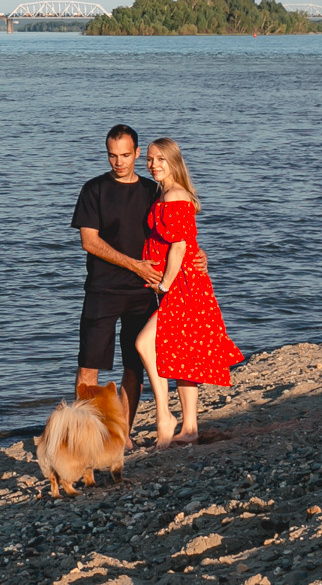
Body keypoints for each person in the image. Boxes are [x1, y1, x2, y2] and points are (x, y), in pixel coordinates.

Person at [70, 124, 207, 440]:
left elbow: (179, 233)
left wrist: (201, 256)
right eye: (112, 155)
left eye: (126, 155)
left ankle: (122, 436)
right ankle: (84, 436)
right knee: (89, 368)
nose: (119, 162)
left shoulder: (153, 190)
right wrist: (136, 265)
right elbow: (89, 242)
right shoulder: (94, 190)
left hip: (145, 292)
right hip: (102, 290)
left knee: (134, 368)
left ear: (136, 153)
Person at [135, 137, 244, 446]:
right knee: (185, 352)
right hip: (186, 281)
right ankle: (191, 428)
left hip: (184, 284)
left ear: (174, 162)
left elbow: (181, 244)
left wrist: (166, 283)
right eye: (151, 160)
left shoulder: (175, 196)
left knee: (145, 343)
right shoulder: (167, 193)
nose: (154, 165)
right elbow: (186, 240)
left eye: (160, 160)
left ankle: (164, 414)